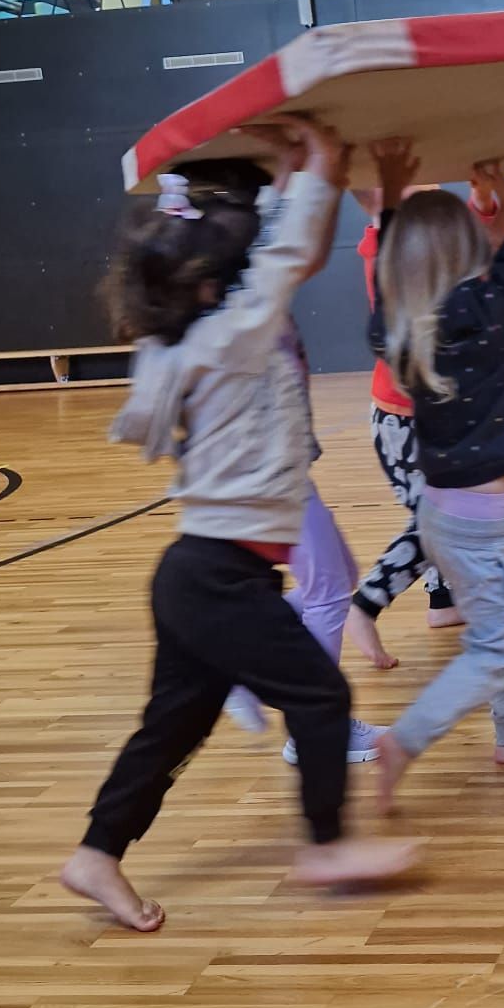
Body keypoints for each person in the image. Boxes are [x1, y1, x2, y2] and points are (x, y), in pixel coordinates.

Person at [60, 122, 420, 933]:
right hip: (219, 577)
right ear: (204, 288)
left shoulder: (178, 339)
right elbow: (283, 259)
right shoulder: (230, 335)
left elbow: (280, 255)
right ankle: (326, 847)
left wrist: (297, 177)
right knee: (321, 695)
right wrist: (319, 162)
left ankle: (96, 855)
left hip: (199, 574)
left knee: (172, 727)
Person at [371, 91, 504, 813]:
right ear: (470, 253)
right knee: (497, 648)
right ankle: (405, 740)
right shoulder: (491, 314)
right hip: (480, 528)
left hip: (447, 515)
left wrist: (392, 196)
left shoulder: (397, 327)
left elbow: (405, 270)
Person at [192, 152, 384, 766]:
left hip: (270, 465)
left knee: (338, 578)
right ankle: (313, 728)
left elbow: (287, 228)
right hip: (265, 469)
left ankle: (236, 664)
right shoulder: (243, 295)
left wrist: (301, 167)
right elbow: (296, 237)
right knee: (327, 590)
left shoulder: (238, 283)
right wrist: (316, 164)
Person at [343, 143, 504, 669]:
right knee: (442, 518)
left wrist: (482, 196)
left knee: (442, 506)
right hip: (403, 421)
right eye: (424, 183)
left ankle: (443, 601)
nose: (437, 184)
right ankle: (365, 604)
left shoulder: (421, 241)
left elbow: (474, 239)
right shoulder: (386, 253)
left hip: (432, 414)